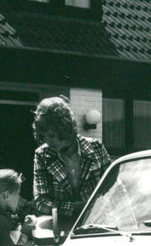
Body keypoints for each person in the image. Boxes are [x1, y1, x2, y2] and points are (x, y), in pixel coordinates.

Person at [32, 96, 111, 234]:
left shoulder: (96, 147)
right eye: (43, 136)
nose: (48, 141)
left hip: (99, 225)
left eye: (51, 135)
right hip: (64, 229)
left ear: (64, 128)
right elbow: (41, 201)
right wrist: (74, 208)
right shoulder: (42, 155)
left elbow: (113, 188)